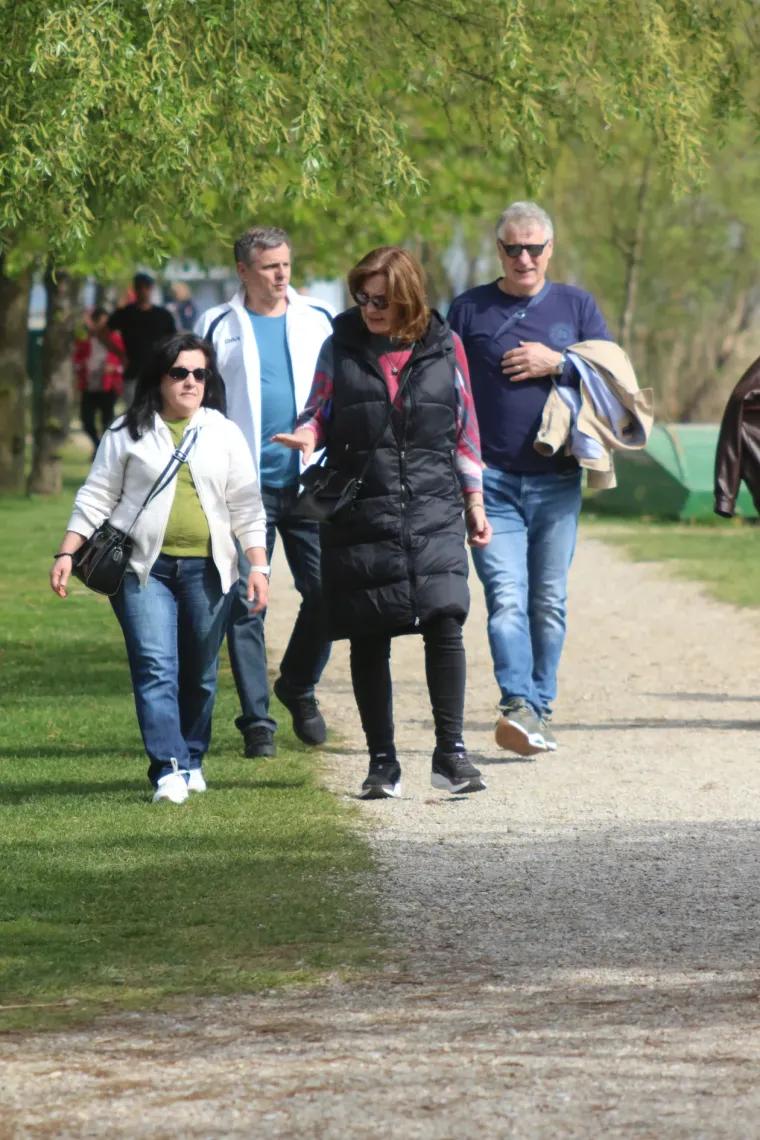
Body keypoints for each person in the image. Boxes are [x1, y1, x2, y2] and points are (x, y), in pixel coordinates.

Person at [274, 246, 491, 799]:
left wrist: (475, 502)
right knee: (370, 632)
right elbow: (317, 411)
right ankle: (382, 764)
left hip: (433, 502)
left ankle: (451, 755)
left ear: (407, 298)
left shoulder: (447, 346)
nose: (370, 308)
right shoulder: (340, 345)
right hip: (361, 506)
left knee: (445, 620)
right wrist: (308, 436)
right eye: (362, 297)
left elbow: (464, 430)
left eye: (382, 299)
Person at [50, 333, 269, 804]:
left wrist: (259, 565)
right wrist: (67, 552)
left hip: (210, 572)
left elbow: (247, 507)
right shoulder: (126, 431)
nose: (191, 382)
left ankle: (191, 757)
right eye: (180, 373)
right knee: (155, 666)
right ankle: (167, 768)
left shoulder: (224, 433)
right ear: (160, 378)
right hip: (141, 571)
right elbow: (96, 496)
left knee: (201, 673)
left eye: (199, 374)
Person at [448, 201, 610, 757]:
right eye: (512, 247)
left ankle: (540, 706)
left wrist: (558, 362)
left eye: (534, 247)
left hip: (557, 480)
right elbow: (445, 389)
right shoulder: (468, 310)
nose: (523, 257)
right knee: (507, 597)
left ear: (550, 249)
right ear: (499, 250)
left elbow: (612, 377)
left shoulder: (577, 305)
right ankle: (516, 702)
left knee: (549, 600)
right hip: (489, 481)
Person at [195, 226, 334, 760]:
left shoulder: (318, 318)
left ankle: (297, 684)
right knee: (246, 603)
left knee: (327, 595)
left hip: (309, 482)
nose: (281, 275)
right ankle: (257, 722)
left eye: (286, 265)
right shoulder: (215, 324)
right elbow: (199, 402)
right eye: (270, 266)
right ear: (243, 271)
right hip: (243, 488)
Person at [105, 273, 176, 406]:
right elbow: (103, 332)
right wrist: (118, 353)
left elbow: (174, 340)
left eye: (146, 287)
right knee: (134, 413)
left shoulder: (163, 316)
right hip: (133, 372)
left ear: (151, 289)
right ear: (135, 290)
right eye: (139, 287)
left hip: (157, 374)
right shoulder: (125, 313)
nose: (143, 291)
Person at [73, 307, 124, 456]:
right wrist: (82, 366)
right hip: (90, 386)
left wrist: (114, 368)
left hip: (108, 386)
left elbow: (123, 359)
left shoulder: (115, 339)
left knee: (107, 420)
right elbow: (77, 359)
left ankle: (103, 451)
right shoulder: (85, 340)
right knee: (86, 420)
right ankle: (98, 444)